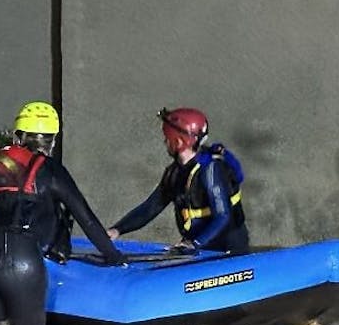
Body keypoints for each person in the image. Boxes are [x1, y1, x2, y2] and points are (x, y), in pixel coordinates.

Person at [0, 100, 125, 325]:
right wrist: (114, 257)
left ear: (18, 137)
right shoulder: (51, 170)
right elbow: (86, 220)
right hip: (23, 261)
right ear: (53, 141)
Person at [106, 106, 250, 255]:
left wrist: (194, 244)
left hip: (226, 249)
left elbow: (222, 216)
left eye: (167, 139)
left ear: (179, 142)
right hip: (198, 246)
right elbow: (151, 207)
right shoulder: (174, 173)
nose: (165, 143)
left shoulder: (210, 170)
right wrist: (118, 229)